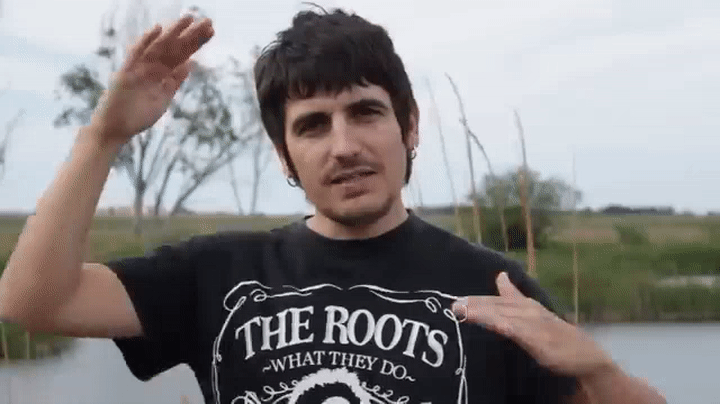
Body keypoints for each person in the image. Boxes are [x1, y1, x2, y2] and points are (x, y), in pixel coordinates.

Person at [0, 7, 666, 404]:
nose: (344, 146)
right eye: (313, 125)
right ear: (284, 155)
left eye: (366, 112)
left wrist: (597, 366)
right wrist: (103, 137)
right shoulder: (217, 272)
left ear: (409, 127)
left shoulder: (493, 289)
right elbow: (33, 301)